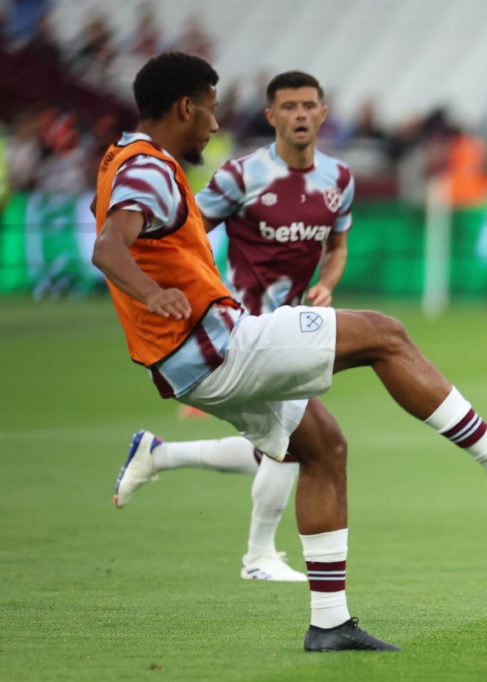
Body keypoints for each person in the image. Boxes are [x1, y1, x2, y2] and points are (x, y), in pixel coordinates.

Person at [93, 51, 487, 653]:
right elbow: (108, 247)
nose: (216, 126)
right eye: (212, 111)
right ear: (184, 107)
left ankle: (329, 623)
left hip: (192, 359)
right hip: (221, 340)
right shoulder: (149, 167)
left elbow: (144, 241)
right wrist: (154, 292)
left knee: (325, 448)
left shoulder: (129, 158)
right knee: (385, 333)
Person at [111, 70, 357, 582]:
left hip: (291, 323)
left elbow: (337, 248)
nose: (300, 115)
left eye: (309, 105)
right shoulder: (239, 176)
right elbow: (186, 234)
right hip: (242, 326)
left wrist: (328, 283)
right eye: (288, 106)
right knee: (299, 446)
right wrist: (183, 299)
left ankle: (160, 456)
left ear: (323, 112)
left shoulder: (339, 179)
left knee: (287, 446)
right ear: (271, 116)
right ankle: (258, 557)